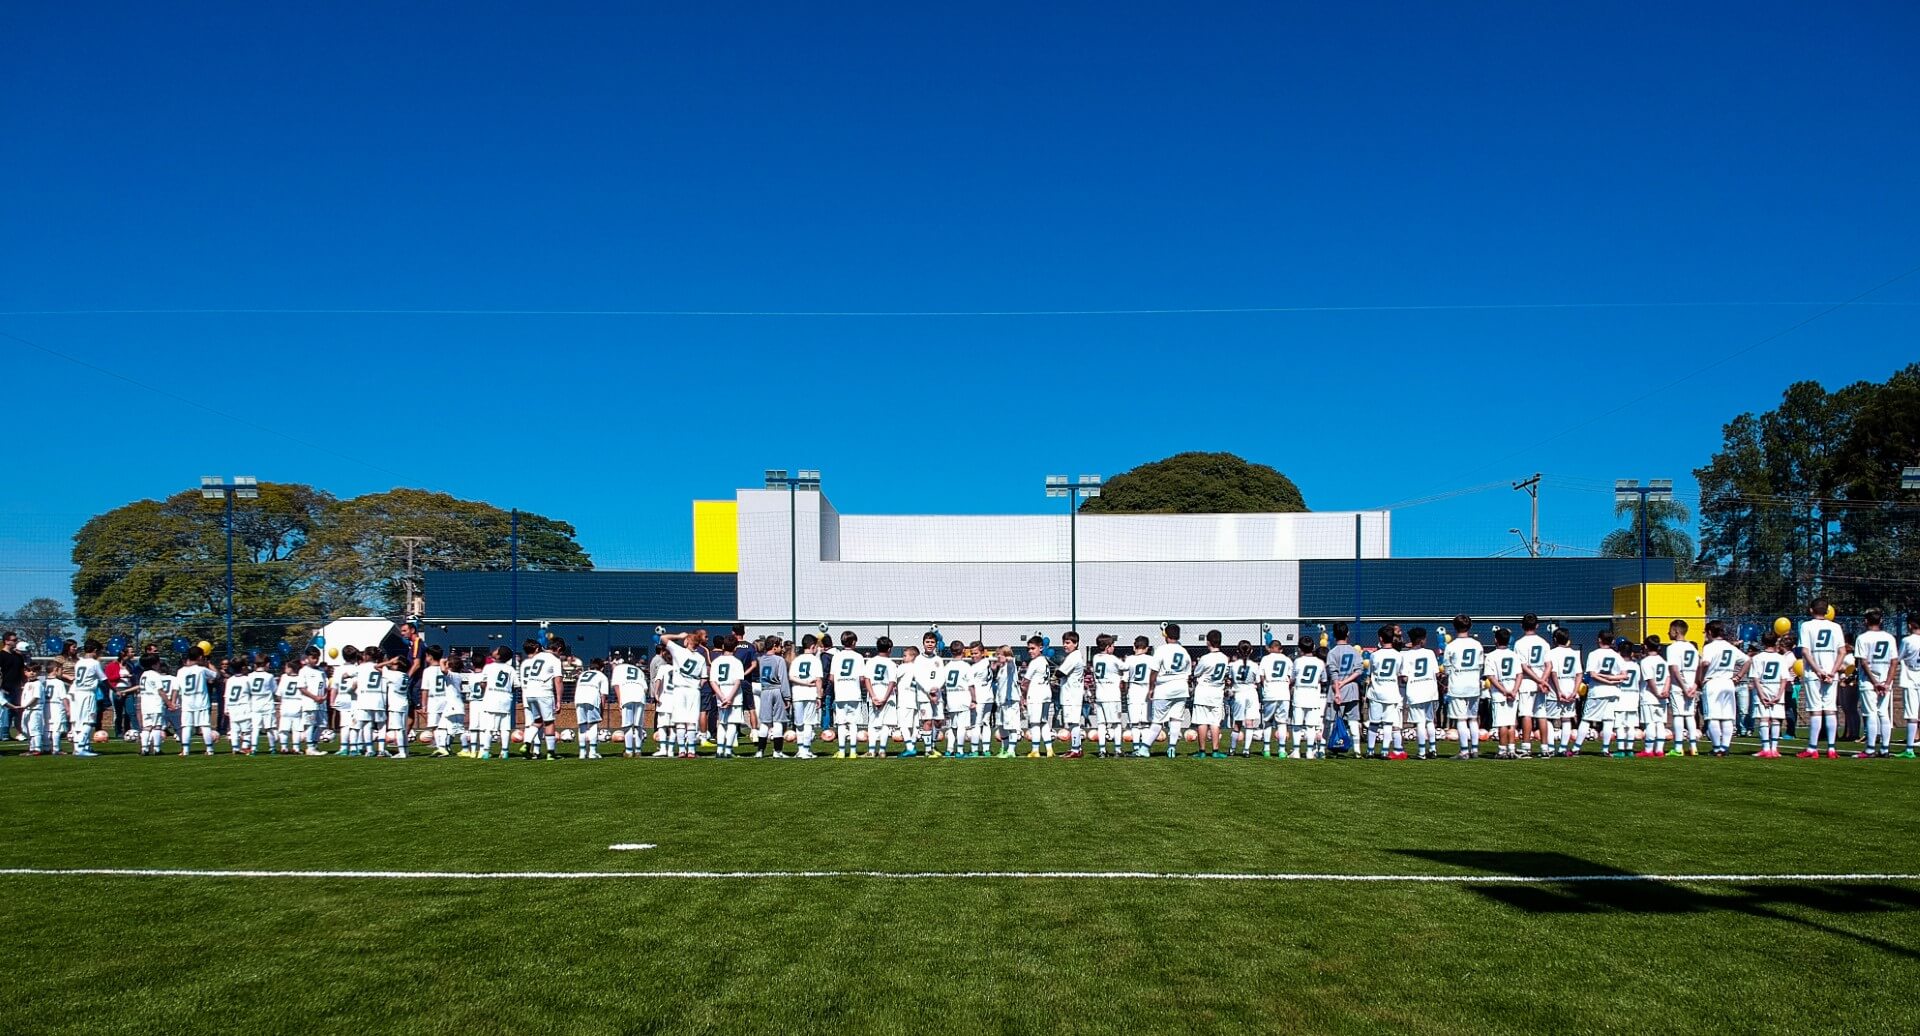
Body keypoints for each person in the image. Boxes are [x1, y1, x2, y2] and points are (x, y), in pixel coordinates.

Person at [1798, 599, 1844, 758]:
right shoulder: (1836, 627)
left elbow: (1805, 651)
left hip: (1813, 674)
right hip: (1832, 674)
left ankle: (1812, 748)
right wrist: (1832, 672)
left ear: (1811, 610)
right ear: (1827, 611)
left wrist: (1818, 671)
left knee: (1815, 711)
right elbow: (1842, 652)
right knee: (1830, 709)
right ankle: (1831, 748)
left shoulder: (1806, 626)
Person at [1697, 621, 1750, 757]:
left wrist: (1700, 678)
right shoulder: (1730, 646)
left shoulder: (1710, 647)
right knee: (1727, 717)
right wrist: (1738, 677)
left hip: (1713, 682)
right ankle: (1725, 747)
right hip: (1728, 682)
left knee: (1713, 717)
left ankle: (1716, 748)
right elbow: (1748, 660)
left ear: (1709, 632)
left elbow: (1705, 663)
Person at [1853, 610, 1898, 759]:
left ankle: (1870, 748)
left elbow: (1863, 662)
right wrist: (1887, 682)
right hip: (1885, 681)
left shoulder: (1862, 638)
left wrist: (1875, 682)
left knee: (1871, 713)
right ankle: (1885, 748)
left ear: (1866, 621)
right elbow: (1894, 662)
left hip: (1868, 681)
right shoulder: (1889, 637)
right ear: (1881, 621)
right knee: (1883, 713)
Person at [659, 631, 709, 759]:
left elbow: (663, 637)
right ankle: (691, 750)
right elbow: (704, 678)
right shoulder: (701, 658)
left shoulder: (678, 651)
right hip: (693, 690)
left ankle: (682, 750)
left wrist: (678, 636)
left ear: (687, 642)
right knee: (691, 722)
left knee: (680, 721)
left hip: (680, 690)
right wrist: (696, 685)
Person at [1577, 629, 1627, 756]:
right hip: (1613, 691)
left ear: (1599, 639)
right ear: (1612, 641)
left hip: (1598, 690)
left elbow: (1593, 674)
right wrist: (1611, 679)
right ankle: (1605, 749)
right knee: (1609, 719)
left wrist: (1606, 679)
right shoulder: (1617, 655)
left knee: (1587, 719)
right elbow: (1624, 675)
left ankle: (1576, 747)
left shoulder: (1594, 654)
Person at [1441, 615, 1484, 759]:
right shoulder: (1477, 644)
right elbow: (1480, 666)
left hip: (1458, 685)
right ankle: (1475, 749)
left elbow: (1446, 669)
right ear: (1470, 626)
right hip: (1473, 684)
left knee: (1461, 719)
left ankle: (1464, 750)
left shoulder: (1451, 646)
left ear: (1454, 627)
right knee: (1472, 718)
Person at [1151, 624, 1194, 758]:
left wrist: (1151, 687)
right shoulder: (1184, 651)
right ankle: (1172, 748)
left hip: (1164, 687)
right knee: (1176, 719)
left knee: (1158, 721)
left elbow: (1154, 671)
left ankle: (1144, 748)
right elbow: (1188, 673)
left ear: (1166, 637)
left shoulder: (1161, 650)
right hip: (1181, 687)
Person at [519, 637, 564, 760]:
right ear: (559, 649)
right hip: (544, 692)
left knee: (537, 721)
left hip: (530, 692)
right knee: (549, 722)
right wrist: (559, 700)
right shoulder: (554, 659)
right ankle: (551, 752)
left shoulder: (536, 657)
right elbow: (558, 680)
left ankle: (526, 744)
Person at [1513, 614, 1551, 758]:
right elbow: (1548, 665)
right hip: (1542, 682)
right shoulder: (1544, 643)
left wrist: (1538, 680)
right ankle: (1545, 748)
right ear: (1537, 626)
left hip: (1528, 681)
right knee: (1541, 715)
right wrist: (1542, 680)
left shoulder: (1519, 643)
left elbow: (1523, 666)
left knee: (1526, 714)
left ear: (1522, 626)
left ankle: (1526, 747)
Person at [1748, 632, 1792, 758]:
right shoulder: (1781, 658)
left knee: (1764, 719)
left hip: (1763, 690)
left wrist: (1761, 695)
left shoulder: (1757, 658)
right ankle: (1774, 748)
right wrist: (1779, 694)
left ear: (1762, 642)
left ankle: (1766, 748)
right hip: (1776, 690)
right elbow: (1785, 678)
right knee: (1776, 719)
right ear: (1776, 642)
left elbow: (1755, 678)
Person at [1400, 628, 1441, 760]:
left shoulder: (1405, 655)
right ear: (1422, 640)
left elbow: (1404, 677)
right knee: (1429, 720)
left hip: (1415, 691)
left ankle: (1422, 751)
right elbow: (1436, 672)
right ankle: (1433, 749)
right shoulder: (1430, 653)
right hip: (1430, 690)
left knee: (1419, 722)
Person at [1364, 626, 1404, 760]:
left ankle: (1370, 751)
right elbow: (1401, 674)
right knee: (1388, 724)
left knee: (1374, 723)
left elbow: (1370, 673)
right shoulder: (1398, 655)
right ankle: (1384, 751)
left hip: (1376, 693)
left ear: (1380, 639)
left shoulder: (1374, 655)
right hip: (1391, 693)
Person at [1190, 631, 1230, 759]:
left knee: (1202, 722)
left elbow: (1196, 673)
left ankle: (1202, 751)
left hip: (1203, 691)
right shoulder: (1224, 658)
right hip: (1217, 692)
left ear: (1208, 642)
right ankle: (1215, 750)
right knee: (1215, 722)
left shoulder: (1205, 658)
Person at [826, 631, 866, 758]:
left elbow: (831, 678)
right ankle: (853, 752)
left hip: (841, 694)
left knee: (841, 723)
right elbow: (861, 678)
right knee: (853, 723)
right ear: (854, 642)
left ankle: (842, 751)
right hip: (854, 693)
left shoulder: (836, 656)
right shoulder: (858, 657)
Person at [1543, 628, 1581, 757]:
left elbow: (1553, 672)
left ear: (1554, 639)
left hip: (1555, 690)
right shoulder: (1575, 653)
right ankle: (1563, 748)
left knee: (1549, 718)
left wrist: (1559, 691)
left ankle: (1551, 747)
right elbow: (1579, 674)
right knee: (1566, 719)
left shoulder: (1551, 653)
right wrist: (1574, 691)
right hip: (1570, 688)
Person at [1666, 621, 1702, 757]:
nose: (1668, 633)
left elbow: (1674, 669)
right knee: (1690, 715)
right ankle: (1693, 747)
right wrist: (1695, 685)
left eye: (1670, 630)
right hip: (1692, 686)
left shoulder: (1673, 648)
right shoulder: (1692, 647)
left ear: (1676, 631)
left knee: (1678, 715)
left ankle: (1678, 747)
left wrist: (1684, 686)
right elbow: (1699, 667)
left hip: (1679, 686)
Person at [173, 647, 218, 757]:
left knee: (186, 726)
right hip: (201, 702)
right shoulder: (201, 669)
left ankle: (186, 750)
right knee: (205, 725)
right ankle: (209, 749)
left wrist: (173, 701)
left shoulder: (180, 671)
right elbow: (216, 675)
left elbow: (175, 688)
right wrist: (208, 663)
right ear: (200, 657)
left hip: (187, 702)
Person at [477, 646, 519, 759]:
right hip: (505, 699)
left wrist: (485, 688)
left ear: (498, 655)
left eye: (497, 650)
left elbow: (482, 683)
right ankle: (504, 751)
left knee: (489, 727)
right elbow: (516, 686)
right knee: (505, 728)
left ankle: (486, 751)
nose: (494, 650)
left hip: (491, 699)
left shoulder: (488, 667)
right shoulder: (511, 669)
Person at [1325, 624, 1362, 756]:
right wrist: (1346, 681)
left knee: (1332, 720)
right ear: (1348, 634)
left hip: (1336, 690)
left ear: (1334, 635)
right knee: (1353, 720)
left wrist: (1338, 688)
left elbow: (1333, 673)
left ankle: (1330, 747)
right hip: (1352, 689)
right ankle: (1357, 750)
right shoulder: (1354, 651)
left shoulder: (1333, 652)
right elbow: (1358, 670)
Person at [1086, 635, 1126, 758]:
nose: (1113, 648)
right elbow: (1125, 667)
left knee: (1101, 724)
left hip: (1100, 695)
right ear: (1108, 647)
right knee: (1117, 724)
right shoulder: (1113, 659)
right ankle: (1118, 750)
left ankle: (1102, 750)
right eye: (1112, 646)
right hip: (1112, 696)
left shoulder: (1096, 658)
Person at [707, 645, 748, 759]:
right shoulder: (736, 662)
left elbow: (712, 681)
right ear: (735, 648)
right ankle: (728, 750)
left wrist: (721, 696)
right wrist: (730, 697)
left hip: (721, 691)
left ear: (724, 647)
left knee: (722, 722)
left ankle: (720, 750)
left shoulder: (716, 661)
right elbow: (738, 681)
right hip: (733, 693)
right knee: (732, 723)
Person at [1484, 628, 1520, 758]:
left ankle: (1502, 750)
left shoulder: (1491, 656)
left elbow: (1491, 677)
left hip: (1500, 694)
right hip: (1514, 693)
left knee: (1502, 723)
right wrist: (1514, 690)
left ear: (1495, 640)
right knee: (1511, 722)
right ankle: (1511, 749)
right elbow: (1519, 675)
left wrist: (1504, 690)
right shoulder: (1514, 655)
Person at [1254, 638, 1291, 758]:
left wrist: (1265, 688)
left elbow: (1261, 677)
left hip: (1270, 691)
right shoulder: (1287, 659)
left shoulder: (1265, 659)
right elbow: (1290, 677)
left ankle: (1266, 749)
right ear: (1281, 649)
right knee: (1281, 722)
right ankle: (1281, 750)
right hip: (1283, 692)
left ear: (1270, 648)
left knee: (1268, 721)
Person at [861, 637, 897, 758]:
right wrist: (885, 698)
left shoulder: (870, 662)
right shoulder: (891, 664)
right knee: (885, 724)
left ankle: (871, 750)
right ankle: (882, 750)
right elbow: (892, 682)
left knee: (872, 724)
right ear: (889, 649)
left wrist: (873, 696)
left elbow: (867, 680)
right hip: (888, 696)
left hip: (874, 695)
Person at [1123, 635, 1158, 758]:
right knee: (1146, 722)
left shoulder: (1129, 659)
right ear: (1147, 648)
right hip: (1147, 691)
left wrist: (1125, 691)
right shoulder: (1151, 659)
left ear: (1134, 646)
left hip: (1134, 690)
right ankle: (1144, 748)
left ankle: (1136, 748)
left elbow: (1125, 679)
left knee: (1135, 723)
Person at [68, 640, 105, 756]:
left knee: (78, 722)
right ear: (95, 651)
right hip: (87, 693)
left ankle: (81, 747)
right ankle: (81, 748)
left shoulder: (79, 662)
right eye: (99, 652)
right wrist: (115, 690)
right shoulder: (94, 663)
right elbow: (104, 679)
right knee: (89, 721)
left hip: (77, 693)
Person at [1291, 644, 1328, 759]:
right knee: (1311, 726)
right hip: (1313, 695)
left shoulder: (1297, 661)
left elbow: (1293, 678)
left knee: (1297, 725)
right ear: (1313, 647)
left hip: (1300, 694)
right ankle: (1309, 752)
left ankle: (1296, 751)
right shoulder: (1320, 662)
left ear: (1300, 649)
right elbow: (1324, 679)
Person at [612, 651, 651, 759]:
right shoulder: (639, 670)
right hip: (639, 695)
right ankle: (638, 751)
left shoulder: (618, 668)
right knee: (638, 726)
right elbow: (645, 688)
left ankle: (629, 750)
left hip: (627, 695)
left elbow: (616, 685)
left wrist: (619, 701)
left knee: (628, 725)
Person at [1637, 636, 1671, 757]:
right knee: (1660, 723)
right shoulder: (1663, 661)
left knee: (1650, 724)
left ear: (1646, 646)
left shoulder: (1645, 661)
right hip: (1663, 696)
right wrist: (1665, 690)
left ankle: (1648, 750)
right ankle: (1659, 750)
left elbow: (1649, 680)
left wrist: (1656, 693)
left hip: (1650, 696)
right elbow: (1668, 677)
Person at [1020, 637, 1052, 758]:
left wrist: (1023, 696)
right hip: (1046, 694)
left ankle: (1035, 750)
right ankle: (1049, 749)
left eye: (1033, 648)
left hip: (1036, 695)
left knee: (1034, 723)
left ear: (1041, 648)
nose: (1030, 651)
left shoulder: (1035, 662)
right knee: (1044, 722)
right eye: (1029, 649)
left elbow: (1025, 682)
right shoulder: (1045, 660)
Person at [23, 662, 61, 755]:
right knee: (26, 730)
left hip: (35, 710)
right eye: (29, 671)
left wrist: (25, 705)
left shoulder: (38, 684)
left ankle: (37, 748)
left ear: (39, 672)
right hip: (27, 710)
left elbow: (36, 697)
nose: (32, 673)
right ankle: (31, 748)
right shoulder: (27, 684)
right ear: (25, 672)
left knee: (35, 730)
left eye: (34, 671)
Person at [138, 659, 172, 755]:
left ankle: (144, 749)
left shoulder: (143, 674)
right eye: (157, 663)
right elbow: (160, 691)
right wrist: (169, 703)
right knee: (157, 726)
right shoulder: (155, 675)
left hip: (145, 704)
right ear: (153, 665)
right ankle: (157, 749)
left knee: (147, 727)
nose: (159, 665)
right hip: (155, 703)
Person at [1900, 616, 1920, 759]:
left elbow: (1898, 657)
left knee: (1912, 714)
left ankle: (1909, 749)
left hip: (1911, 679)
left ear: (1911, 625)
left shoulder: (1907, 640)